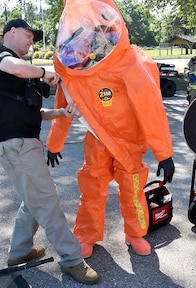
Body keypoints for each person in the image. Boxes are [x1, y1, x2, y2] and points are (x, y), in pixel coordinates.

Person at [46, 0, 175, 259]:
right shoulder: (76, 61)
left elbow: (150, 109)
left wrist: (164, 153)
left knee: (132, 188)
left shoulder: (128, 62)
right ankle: (86, 235)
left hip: (128, 138)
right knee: (92, 187)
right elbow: (66, 101)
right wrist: (54, 143)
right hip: (97, 137)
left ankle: (135, 233)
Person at [0, 18, 99, 285]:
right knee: (47, 201)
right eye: (28, 35)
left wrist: (61, 112)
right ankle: (72, 260)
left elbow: (34, 112)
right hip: (17, 146)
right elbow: (14, 67)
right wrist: (43, 72)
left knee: (33, 200)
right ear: (12, 32)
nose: (31, 41)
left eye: (34, 38)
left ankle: (19, 252)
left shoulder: (25, 73)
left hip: (26, 144)